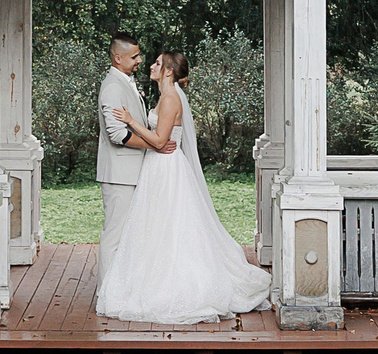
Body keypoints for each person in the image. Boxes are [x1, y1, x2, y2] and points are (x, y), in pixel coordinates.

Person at [95, 51, 273, 324]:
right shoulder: (164, 97)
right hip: (157, 167)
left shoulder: (170, 100)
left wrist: (131, 121)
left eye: (156, 63)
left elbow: (158, 141)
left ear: (168, 71)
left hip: (166, 167)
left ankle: (176, 284)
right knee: (156, 227)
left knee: (172, 225)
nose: (151, 66)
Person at [95, 32, 171, 264]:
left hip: (131, 172)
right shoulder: (112, 88)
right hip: (119, 175)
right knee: (115, 236)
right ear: (118, 58)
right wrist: (155, 145)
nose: (140, 61)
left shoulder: (124, 82)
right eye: (134, 57)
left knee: (129, 236)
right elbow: (118, 134)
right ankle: (105, 296)